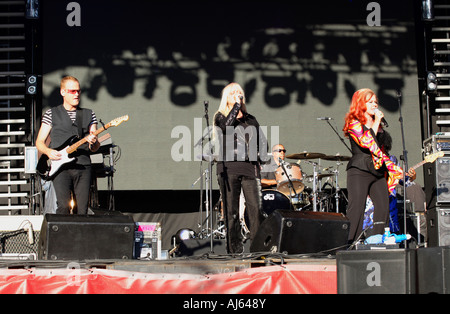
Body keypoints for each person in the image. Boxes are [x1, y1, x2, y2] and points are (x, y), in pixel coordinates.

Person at [343, 88, 403, 243]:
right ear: (360, 104)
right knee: (357, 209)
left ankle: (378, 240)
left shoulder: (379, 125)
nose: (374, 105)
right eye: (370, 102)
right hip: (360, 169)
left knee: (383, 207)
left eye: (376, 102)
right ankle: (349, 244)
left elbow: (380, 151)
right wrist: (376, 122)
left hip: (377, 171)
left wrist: (393, 168)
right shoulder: (353, 123)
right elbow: (367, 142)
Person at [213, 82, 267, 254]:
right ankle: (234, 252)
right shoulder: (220, 116)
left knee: (256, 211)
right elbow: (226, 129)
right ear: (227, 98)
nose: (238, 95)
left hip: (250, 168)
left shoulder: (251, 119)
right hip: (229, 168)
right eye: (233, 93)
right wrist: (236, 106)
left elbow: (262, 141)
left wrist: (261, 155)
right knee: (232, 212)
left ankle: (257, 251)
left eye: (240, 93)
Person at [36, 76, 100, 215]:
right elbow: (39, 142)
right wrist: (48, 151)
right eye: (72, 91)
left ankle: (81, 236)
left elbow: (95, 147)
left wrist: (94, 142)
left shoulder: (89, 114)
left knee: (82, 210)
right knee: (63, 206)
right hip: (60, 166)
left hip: (83, 166)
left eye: (78, 91)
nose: (76, 94)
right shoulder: (51, 114)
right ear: (63, 92)